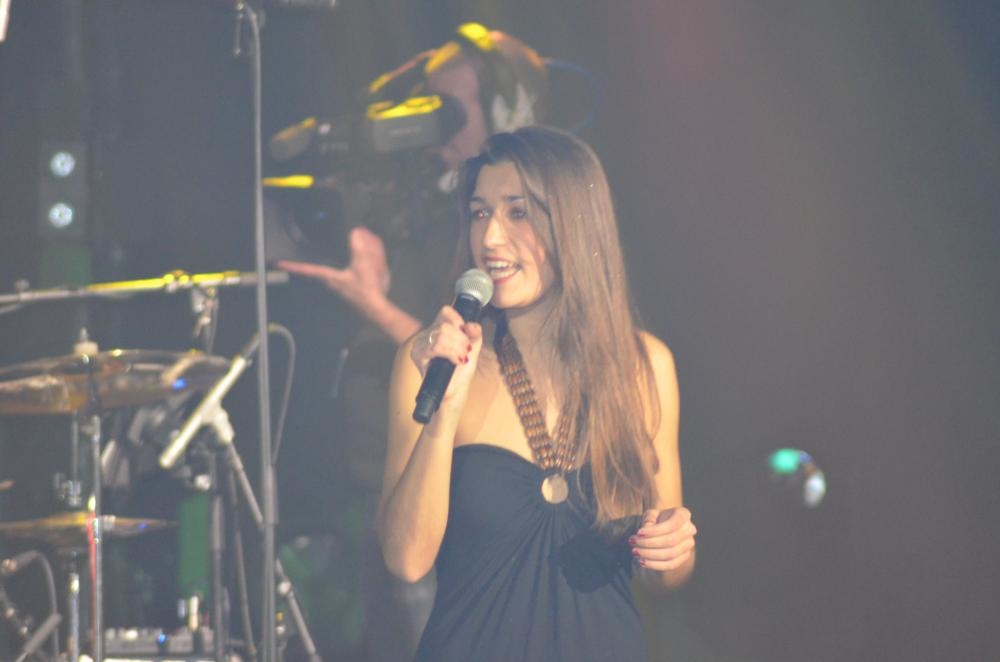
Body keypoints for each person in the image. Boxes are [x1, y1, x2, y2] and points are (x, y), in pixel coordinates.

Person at [275, 24, 551, 661]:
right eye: (430, 107)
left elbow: (491, 368)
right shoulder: (428, 204)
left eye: (453, 109)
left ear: (509, 113)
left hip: (450, 503)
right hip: (379, 486)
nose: (437, 127)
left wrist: (372, 305)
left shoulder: (511, 236)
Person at [378, 126, 698, 660]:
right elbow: (406, 560)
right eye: (479, 213)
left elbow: (665, 574)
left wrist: (672, 550)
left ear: (575, 222)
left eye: (518, 212)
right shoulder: (432, 360)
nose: (490, 238)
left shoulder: (644, 367)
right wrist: (445, 411)